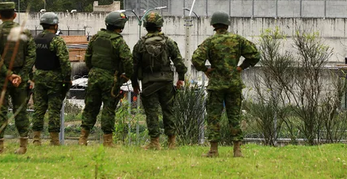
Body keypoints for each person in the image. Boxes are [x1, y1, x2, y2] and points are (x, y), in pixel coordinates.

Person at [192, 11, 260, 158]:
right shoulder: (238, 40)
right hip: (234, 84)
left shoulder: (210, 42)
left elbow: (196, 59)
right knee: (234, 116)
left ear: (213, 25)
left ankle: (213, 150)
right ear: (227, 24)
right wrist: (241, 67)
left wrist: (206, 69)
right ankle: (237, 150)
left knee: (214, 117)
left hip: (216, 85)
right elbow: (255, 55)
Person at [131, 11, 186, 150]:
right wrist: (181, 78)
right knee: (169, 110)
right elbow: (179, 62)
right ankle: (171, 142)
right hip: (166, 81)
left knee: (152, 112)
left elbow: (133, 66)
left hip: (149, 82)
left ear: (146, 27)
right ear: (160, 27)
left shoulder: (140, 44)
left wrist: (135, 84)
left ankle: (155, 142)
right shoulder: (169, 42)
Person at [0, 2, 36, 154]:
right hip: (20, 78)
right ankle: (23, 145)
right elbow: (31, 55)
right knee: (20, 110)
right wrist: (21, 75)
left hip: (1, 78)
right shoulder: (24, 32)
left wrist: (8, 74)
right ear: (14, 15)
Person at [78, 11, 133, 147]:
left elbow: (88, 58)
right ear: (120, 26)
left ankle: (82, 138)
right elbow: (128, 61)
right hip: (110, 78)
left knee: (90, 106)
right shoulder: (118, 41)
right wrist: (127, 75)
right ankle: (108, 141)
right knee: (108, 108)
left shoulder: (95, 38)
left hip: (94, 76)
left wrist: (94, 70)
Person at [31, 12, 71, 146]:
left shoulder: (34, 40)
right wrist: (67, 79)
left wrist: (33, 77)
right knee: (54, 109)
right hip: (54, 79)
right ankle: (54, 140)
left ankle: (36, 139)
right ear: (55, 25)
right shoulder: (57, 40)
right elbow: (64, 61)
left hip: (39, 77)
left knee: (38, 109)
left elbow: (28, 61)